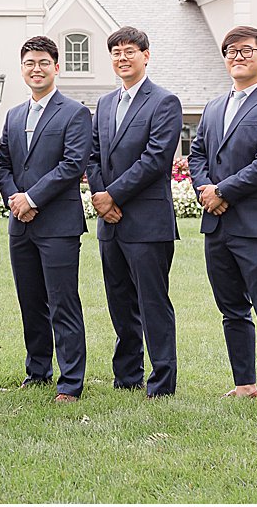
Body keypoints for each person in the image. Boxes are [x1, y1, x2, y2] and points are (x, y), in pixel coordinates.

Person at [189, 25, 257, 406]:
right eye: (231, 51)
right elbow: (197, 156)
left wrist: (222, 191)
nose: (238, 57)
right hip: (216, 225)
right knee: (231, 309)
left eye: (246, 51)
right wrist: (206, 190)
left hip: (256, 227)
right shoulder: (213, 107)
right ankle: (245, 384)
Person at [0, 36, 92, 403]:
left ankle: (71, 381)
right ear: (22, 69)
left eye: (43, 63)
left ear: (56, 67)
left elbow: (72, 165)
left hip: (58, 224)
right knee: (30, 300)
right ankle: (37, 371)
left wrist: (32, 198)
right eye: (30, 63)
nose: (37, 69)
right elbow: (2, 164)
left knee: (62, 301)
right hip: (21, 225)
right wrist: (15, 199)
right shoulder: (15, 115)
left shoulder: (75, 113)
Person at [86, 26, 183, 397]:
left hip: (146, 222)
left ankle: (162, 381)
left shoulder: (164, 102)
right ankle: (127, 375)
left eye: (129, 51)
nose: (122, 58)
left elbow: (155, 159)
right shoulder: (106, 104)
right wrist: (100, 194)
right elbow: (92, 155)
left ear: (146, 55)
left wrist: (114, 196)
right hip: (109, 223)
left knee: (153, 302)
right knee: (120, 301)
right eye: (115, 53)